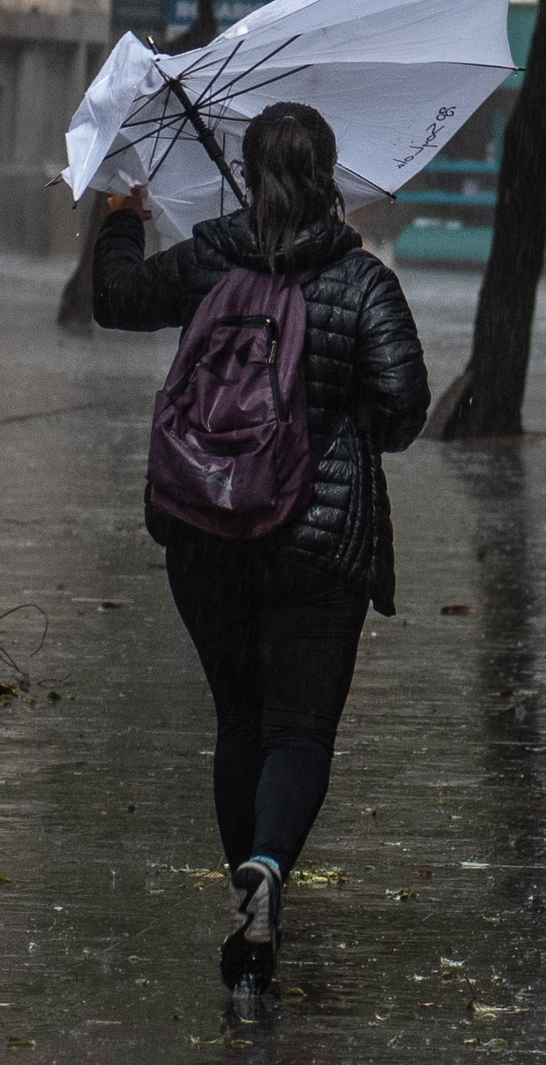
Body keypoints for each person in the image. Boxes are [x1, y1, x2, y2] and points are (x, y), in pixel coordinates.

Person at [93, 101, 428, 998]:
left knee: (239, 720)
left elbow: (116, 301)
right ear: (328, 174)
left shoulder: (210, 257)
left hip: (206, 534)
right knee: (298, 731)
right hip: (317, 545)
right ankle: (268, 870)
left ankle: (248, 885)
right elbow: (403, 412)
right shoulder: (361, 282)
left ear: (246, 171)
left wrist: (122, 220)